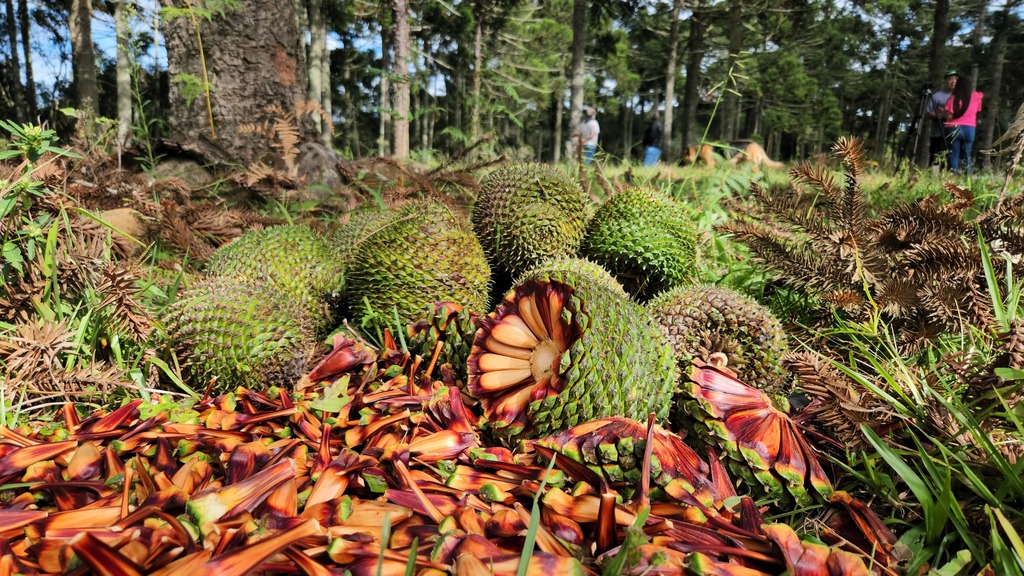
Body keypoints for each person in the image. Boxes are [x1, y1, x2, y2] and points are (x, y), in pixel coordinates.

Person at [944, 76, 983, 176]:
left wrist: (942, 112)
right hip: (970, 129)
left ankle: (953, 179)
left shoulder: (954, 98)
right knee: (966, 156)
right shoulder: (976, 96)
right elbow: (977, 110)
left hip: (954, 128)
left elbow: (949, 115)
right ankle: (967, 179)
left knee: (953, 155)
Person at [923, 71, 958, 167]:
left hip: (954, 134)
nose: (953, 82)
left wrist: (946, 113)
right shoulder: (936, 96)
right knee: (936, 157)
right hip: (937, 134)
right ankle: (934, 175)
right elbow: (928, 113)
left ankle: (948, 175)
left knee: (950, 158)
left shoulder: (959, 96)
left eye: (955, 79)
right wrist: (942, 115)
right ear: (945, 81)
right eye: (950, 79)